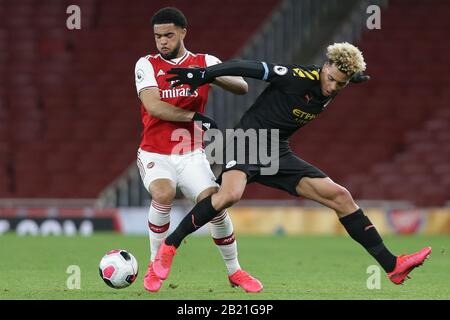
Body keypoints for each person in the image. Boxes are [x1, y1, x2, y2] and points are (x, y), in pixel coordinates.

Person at [152, 42, 432, 286]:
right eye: (331, 78)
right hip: (247, 140)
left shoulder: (341, 78)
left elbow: (348, 75)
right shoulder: (298, 76)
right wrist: (205, 74)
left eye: (341, 84)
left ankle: (392, 266)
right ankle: (170, 245)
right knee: (230, 195)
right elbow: (247, 67)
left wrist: (355, 77)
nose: (332, 86)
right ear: (325, 66)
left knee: (341, 197)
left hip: (277, 150)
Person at [135, 7, 262, 293]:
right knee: (163, 193)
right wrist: (194, 117)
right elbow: (154, 106)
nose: (162, 42)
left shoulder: (204, 61)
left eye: (168, 35)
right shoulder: (146, 64)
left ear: (183, 32)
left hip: (190, 152)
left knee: (214, 204)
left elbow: (241, 86)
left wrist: (208, 75)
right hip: (155, 152)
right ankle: (155, 265)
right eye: (158, 36)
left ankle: (235, 271)